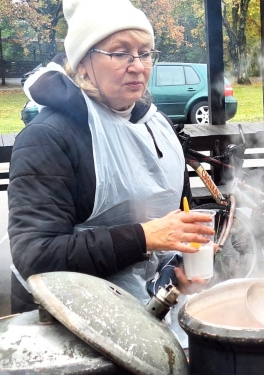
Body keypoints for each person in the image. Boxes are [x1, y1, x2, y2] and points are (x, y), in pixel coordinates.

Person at [9, 0, 214, 318]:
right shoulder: (47, 138)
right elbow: (36, 255)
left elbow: (172, 223)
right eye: (120, 53)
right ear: (83, 63)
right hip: (66, 320)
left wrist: (178, 269)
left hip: (144, 311)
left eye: (145, 53)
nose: (138, 66)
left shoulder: (157, 127)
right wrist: (145, 237)